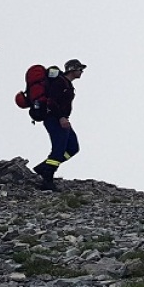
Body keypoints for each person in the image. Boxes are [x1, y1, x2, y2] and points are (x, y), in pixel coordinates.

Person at [34, 59, 85, 191]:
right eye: (80, 69)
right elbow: (51, 101)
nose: (81, 72)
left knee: (73, 147)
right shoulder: (60, 82)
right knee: (59, 149)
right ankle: (47, 180)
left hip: (62, 119)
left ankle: (44, 167)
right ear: (73, 69)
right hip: (55, 119)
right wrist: (61, 117)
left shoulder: (66, 84)